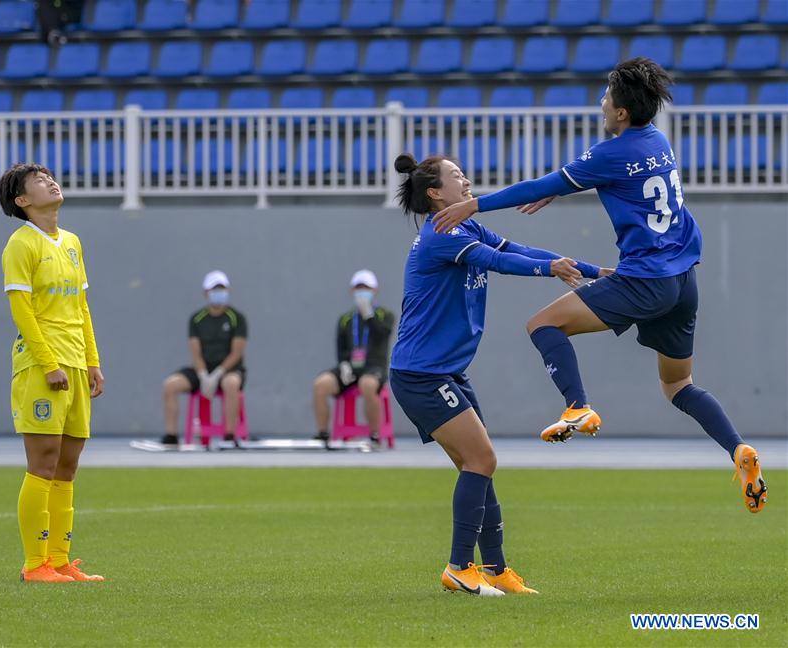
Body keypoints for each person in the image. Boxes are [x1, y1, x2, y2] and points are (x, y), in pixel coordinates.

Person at [432, 57, 767, 514]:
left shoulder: (610, 153)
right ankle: (738, 450)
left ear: (622, 112)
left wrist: (476, 207)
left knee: (542, 325)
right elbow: (592, 179)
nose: (603, 103)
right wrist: (566, 185)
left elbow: (542, 182)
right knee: (680, 385)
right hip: (683, 278)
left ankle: (577, 406)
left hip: (645, 279)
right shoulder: (658, 141)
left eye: (608, 96)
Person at [389, 152, 608, 596]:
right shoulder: (441, 235)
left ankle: (496, 569)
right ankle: (458, 567)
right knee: (482, 461)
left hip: (444, 372)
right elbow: (497, 262)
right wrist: (549, 269)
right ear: (435, 193)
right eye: (455, 175)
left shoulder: (465, 224)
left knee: (478, 466)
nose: (465, 179)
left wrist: (588, 270)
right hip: (421, 375)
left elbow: (514, 249)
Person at [0, 163, 105, 583]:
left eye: (49, 177)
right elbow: (22, 311)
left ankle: (60, 561)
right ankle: (34, 564)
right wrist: (49, 363)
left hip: (76, 363)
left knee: (68, 464)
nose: (50, 181)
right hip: (43, 366)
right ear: (22, 201)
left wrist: (92, 361)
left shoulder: (73, 243)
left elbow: (81, 308)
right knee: (42, 462)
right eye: (39, 181)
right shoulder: (20, 245)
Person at [160, 271, 248, 447]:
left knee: (231, 384)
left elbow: (236, 352)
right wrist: (203, 375)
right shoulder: (197, 319)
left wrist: (217, 374)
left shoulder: (236, 318)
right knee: (170, 385)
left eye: (222, 289)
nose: (218, 293)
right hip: (202, 369)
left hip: (228, 369)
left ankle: (229, 435)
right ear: (206, 292)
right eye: (214, 289)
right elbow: (195, 352)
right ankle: (171, 436)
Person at [312, 269, 395, 444]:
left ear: (374, 290)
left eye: (365, 288)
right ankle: (323, 434)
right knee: (320, 384)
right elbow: (341, 348)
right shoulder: (346, 319)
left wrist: (369, 316)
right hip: (350, 369)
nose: (362, 292)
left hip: (374, 367)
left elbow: (383, 334)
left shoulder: (385, 315)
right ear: (352, 290)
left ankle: (374, 436)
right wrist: (343, 364)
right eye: (358, 288)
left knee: (368, 384)